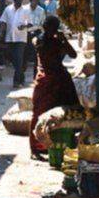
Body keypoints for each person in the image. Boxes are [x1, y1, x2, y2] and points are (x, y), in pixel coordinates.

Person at [30, 16, 78, 158]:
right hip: (56, 80)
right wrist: (63, 39)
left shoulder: (38, 40)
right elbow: (73, 54)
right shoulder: (55, 42)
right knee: (55, 114)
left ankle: (39, 148)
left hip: (46, 80)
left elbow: (73, 55)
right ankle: (41, 147)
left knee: (40, 114)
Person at [0, 0, 31, 88]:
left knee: (18, 58)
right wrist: (1, 32)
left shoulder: (26, 10)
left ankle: (16, 81)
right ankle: (21, 77)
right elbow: (3, 22)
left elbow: (30, 23)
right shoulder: (8, 9)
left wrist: (24, 26)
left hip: (20, 38)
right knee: (14, 60)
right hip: (9, 38)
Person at [23, 0, 47, 78]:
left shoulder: (41, 10)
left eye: (37, 0)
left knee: (36, 56)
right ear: (30, 0)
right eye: (34, 0)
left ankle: (35, 76)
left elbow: (43, 23)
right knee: (24, 55)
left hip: (37, 34)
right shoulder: (24, 9)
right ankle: (21, 76)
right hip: (26, 34)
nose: (35, 2)